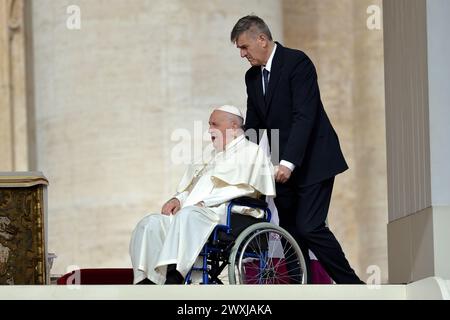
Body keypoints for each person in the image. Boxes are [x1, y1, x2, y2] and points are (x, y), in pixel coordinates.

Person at [230, 15, 364, 284]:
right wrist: (238, 158)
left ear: (262, 39)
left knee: (310, 226)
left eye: (244, 47)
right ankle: (300, 288)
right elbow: (255, 125)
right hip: (282, 166)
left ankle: (353, 285)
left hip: (314, 160)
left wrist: (288, 162)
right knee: (290, 230)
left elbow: (305, 115)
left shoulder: (297, 62)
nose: (242, 54)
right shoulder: (252, 77)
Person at [129, 105, 276, 284]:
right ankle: (147, 281)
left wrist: (206, 202)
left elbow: (245, 189)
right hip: (194, 212)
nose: (209, 130)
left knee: (188, 216)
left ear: (234, 127)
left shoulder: (252, 152)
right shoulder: (210, 155)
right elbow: (193, 188)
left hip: (225, 214)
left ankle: (174, 276)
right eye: (209, 124)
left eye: (214, 124)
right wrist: (178, 198)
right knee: (150, 223)